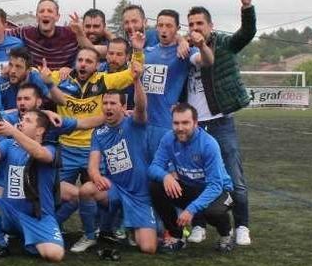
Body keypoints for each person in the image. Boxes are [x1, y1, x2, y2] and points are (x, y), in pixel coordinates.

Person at [185, 0, 257, 246]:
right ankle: (199, 225)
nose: (195, 28)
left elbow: (247, 33)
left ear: (210, 26)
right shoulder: (183, 51)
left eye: (200, 23)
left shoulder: (224, 44)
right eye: (191, 24)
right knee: (194, 177)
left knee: (233, 175)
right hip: (193, 127)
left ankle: (243, 226)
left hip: (220, 123)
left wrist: (247, 7)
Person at [39, 46, 133, 230]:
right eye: (80, 60)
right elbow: (33, 74)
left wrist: (137, 50)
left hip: (94, 149)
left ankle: (105, 229)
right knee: (55, 193)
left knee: (102, 192)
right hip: (66, 149)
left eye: (89, 61)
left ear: (98, 65)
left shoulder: (104, 80)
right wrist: (40, 75)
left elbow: (133, 73)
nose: (83, 64)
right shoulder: (60, 77)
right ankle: (51, 227)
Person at [78, 63, 160, 255]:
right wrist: (96, 176)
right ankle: (90, 235)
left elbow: (141, 106)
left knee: (148, 248)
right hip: (115, 190)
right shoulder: (98, 133)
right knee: (87, 189)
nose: (108, 107)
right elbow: (92, 165)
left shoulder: (134, 123)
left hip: (140, 196)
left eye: (113, 103)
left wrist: (137, 80)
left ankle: (131, 225)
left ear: (123, 107)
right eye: (105, 103)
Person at [0, 110, 65, 262]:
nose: (22, 122)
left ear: (40, 130)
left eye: (28, 120)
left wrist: (12, 131)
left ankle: (29, 239)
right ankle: (0, 244)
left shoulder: (51, 149)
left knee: (54, 255)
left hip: (39, 218)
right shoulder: (9, 145)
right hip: (10, 212)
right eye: (22, 119)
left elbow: (39, 154)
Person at [148, 103, 235, 253]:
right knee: (155, 187)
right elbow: (153, 167)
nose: (180, 127)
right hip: (190, 188)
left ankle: (226, 234)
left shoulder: (208, 144)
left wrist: (191, 210)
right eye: (176, 123)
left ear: (195, 123)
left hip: (218, 190)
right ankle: (177, 236)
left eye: (185, 123)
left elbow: (215, 185)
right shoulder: (168, 139)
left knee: (213, 213)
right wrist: (166, 176)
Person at [141, 9, 212, 160]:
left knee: (166, 171)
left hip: (165, 124)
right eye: (160, 25)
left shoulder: (185, 51)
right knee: (142, 172)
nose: (164, 29)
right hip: (141, 122)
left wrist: (202, 46)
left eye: (169, 25)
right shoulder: (146, 52)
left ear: (178, 29)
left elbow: (206, 61)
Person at [7, 0, 79, 68]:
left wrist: (81, 34)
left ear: (57, 17)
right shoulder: (26, 33)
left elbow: (89, 49)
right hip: (35, 78)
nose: (45, 14)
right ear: (36, 17)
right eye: (41, 11)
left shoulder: (71, 35)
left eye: (50, 11)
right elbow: (0, 35)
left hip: (63, 78)